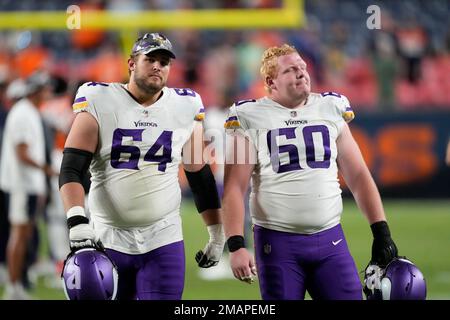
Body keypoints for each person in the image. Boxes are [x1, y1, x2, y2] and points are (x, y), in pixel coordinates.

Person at [222, 44, 398, 300]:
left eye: (302, 67)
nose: (301, 73)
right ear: (271, 82)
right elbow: (234, 188)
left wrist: (381, 232)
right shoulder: (250, 115)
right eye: (291, 70)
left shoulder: (330, 107)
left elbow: (358, 176)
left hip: (331, 241)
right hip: (277, 245)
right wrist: (236, 245)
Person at [58, 32, 225, 300]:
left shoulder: (185, 105)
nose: (158, 66)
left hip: (163, 238)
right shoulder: (99, 99)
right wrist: (77, 220)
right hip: (108, 238)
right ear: (132, 63)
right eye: (151, 59)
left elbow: (199, 174)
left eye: (164, 61)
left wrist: (216, 233)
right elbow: (71, 168)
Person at [0, 72, 53, 299]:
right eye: (44, 89)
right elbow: (22, 154)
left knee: (25, 234)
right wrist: (48, 170)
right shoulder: (23, 113)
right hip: (21, 185)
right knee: (19, 235)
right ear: (35, 91)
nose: (48, 93)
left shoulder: (29, 111)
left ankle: (19, 281)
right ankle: (13, 287)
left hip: (28, 185)